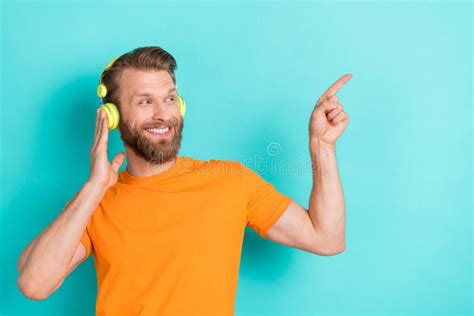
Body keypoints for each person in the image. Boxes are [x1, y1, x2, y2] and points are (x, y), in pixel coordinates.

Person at [16, 46, 350, 315]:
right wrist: (92, 189)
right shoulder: (94, 199)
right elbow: (34, 284)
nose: (163, 113)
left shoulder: (230, 181)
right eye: (145, 101)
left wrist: (322, 146)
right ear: (113, 116)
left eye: (170, 99)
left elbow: (327, 238)